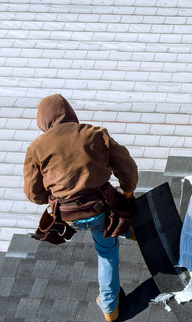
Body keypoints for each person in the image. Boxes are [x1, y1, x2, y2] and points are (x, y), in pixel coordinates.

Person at [23, 94, 138, 321]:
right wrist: (127, 191)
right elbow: (127, 167)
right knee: (106, 251)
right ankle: (109, 306)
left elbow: (33, 194)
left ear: (43, 121)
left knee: (104, 229)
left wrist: (59, 196)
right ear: (69, 113)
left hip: (67, 216)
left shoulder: (36, 149)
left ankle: (125, 231)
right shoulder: (94, 134)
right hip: (100, 208)